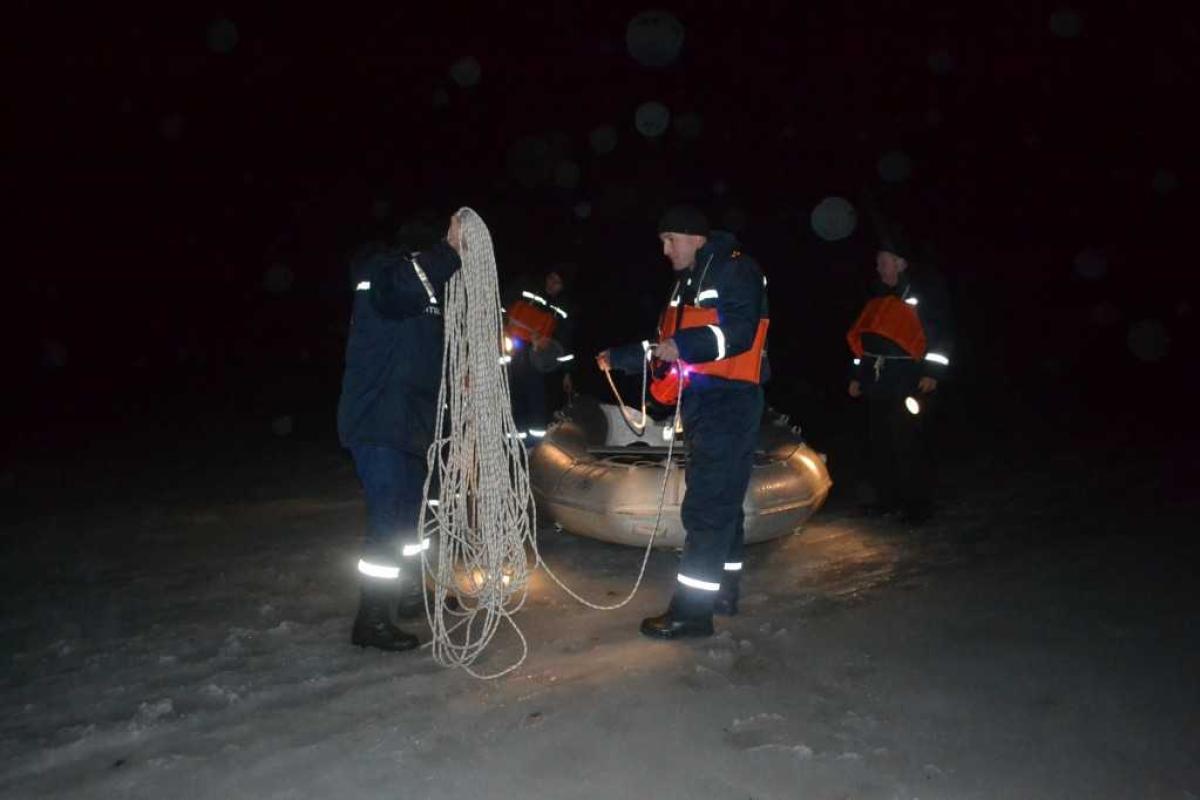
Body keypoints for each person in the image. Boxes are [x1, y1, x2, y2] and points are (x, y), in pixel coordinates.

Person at [598, 204, 769, 640]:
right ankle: (724, 592)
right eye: (661, 241)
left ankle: (692, 613)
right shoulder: (685, 283)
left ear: (696, 238)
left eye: (669, 239)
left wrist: (684, 345)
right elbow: (666, 344)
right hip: (702, 403)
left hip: (729, 402)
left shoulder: (736, 271)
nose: (664, 249)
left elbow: (739, 332)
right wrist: (619, 358)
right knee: (723, 501)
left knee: (707, 507)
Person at [337, 212, 463, 651]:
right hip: (378, 420)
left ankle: (410, 594)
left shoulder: (425, 290)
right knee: (388, 520)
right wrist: (449, 252)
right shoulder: (381, 273)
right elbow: (400, 292)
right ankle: (370, 620)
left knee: (411, 517)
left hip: (411, 423)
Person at [846, 230, 953, 524]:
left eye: (884, 261)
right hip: (878, 380)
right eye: (878, 262)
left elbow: (939, 336)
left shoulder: (920, 296)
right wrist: (857, 375)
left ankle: (918, 507)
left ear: (900, 264)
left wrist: (933, 372)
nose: (878, 267)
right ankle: (887, 501)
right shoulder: (877, 297)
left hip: (909, 378)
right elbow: (864, 343)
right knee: (880, 442)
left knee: (908, 442)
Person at [502, 269, 576, 442]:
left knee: (537, 402)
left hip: (538, 362)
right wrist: (503, 328)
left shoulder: (563, 309)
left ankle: (535, 447)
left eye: (557, 282)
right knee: (512, 398)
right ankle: (511, 443)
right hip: (511, 353)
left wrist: (567, 373)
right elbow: (503, 306)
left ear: (563, 287)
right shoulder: (526, 288)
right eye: (551, 278)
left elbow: (565, 345)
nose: (552, 284)